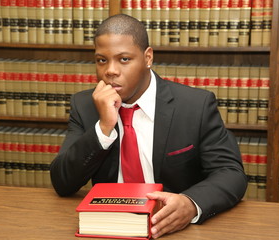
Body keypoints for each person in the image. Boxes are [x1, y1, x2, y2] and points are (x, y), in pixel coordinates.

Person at [50, 14, 247, 238]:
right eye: (101, 60)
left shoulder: (195, 105)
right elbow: (62, 183)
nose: (110, 71)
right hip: (109, 226)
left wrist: (191, 204)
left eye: (124, 59)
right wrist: (104, 127)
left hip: (174, 229)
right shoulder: (85, 105)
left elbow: (231, 173)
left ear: (148, 57)